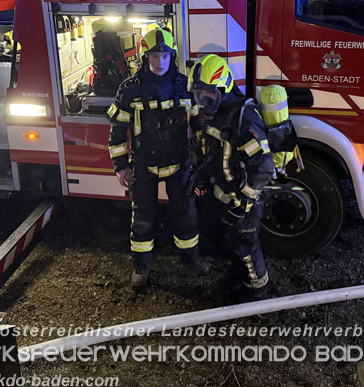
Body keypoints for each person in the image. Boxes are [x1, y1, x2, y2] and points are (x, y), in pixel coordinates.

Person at [107, 27, 210, 290]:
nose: (160, 62)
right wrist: (120, 166)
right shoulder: (130, 89)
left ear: (172, 56)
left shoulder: (185, 86)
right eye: (154, 56)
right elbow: (117, 131)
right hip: (143, 165)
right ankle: (141, 267)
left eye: (165, 56)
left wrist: (202, 161)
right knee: (142, 219)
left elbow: (199, 126)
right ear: (145, 58)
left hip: (179, 164)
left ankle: (191, 260)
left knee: (186, 215)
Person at [188, 55, 276, 301]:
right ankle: (238, 274)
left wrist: (244, 202)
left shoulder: (243, 117)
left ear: (224, 89)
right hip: (224, 192)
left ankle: (258, 289)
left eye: (209, 95)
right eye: (199, 95)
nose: (203, 102)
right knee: (227, 238)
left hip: (246, 196)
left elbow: (264, 167)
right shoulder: (216, 114)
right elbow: (213, 153)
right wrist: (202, 177)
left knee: (245, 239)